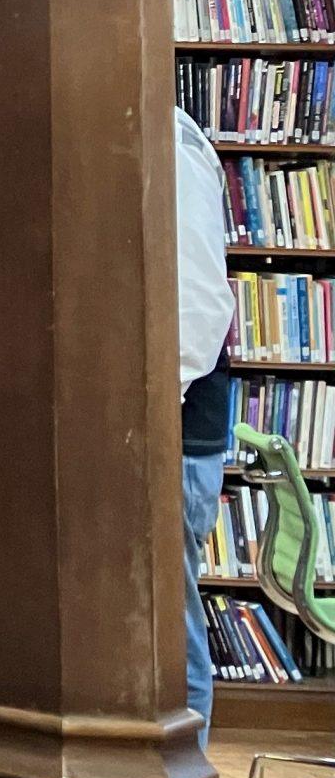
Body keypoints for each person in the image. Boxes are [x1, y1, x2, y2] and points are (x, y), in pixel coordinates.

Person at [175, 106, 237, 743]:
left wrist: (148, 404)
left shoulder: (172, 149)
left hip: (178, 429)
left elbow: (197, 305)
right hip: (174, 423)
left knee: (173, 619)